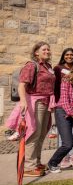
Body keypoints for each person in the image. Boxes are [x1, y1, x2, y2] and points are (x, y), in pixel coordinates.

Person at [15, 41, 56, 177]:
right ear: (36, 52)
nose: (47, 51)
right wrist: (22, 101)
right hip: (36, 102)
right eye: (44, 49)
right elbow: (22, 85)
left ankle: (37, 162)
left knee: (42, 134)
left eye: (48, 49)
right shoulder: (31, 65)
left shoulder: (48, 66)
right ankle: (28, 167)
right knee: (34, 133)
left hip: (46, 103)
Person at [53, 48, 73, 168]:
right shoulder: (58, 68)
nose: (69, 56)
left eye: (72, 55)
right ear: (64, 56)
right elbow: (55, 85)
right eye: (67, 54)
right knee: (63, 133)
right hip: (62, 103)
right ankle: (64, 156)